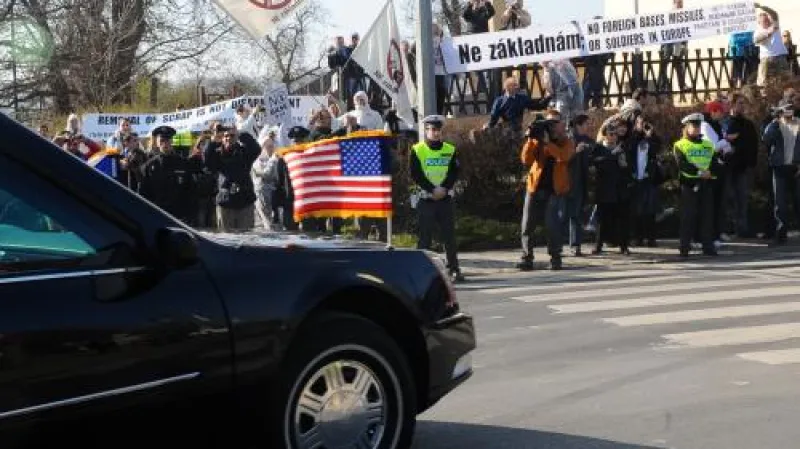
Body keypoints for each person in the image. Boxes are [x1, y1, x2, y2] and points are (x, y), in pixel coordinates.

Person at [518, 112, 575, 271]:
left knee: (552, 226)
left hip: (554, 191)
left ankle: (556, 258)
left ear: (561, 125)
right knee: (527, 225)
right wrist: (531, 139)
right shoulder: (538, 140)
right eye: (548, 123)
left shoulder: (567, 142)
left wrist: (548, 143)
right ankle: (526, 257)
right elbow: (526, 160)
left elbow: (563, 157)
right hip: (534, 187)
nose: (550, 126)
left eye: (553, 123)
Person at [410, 115, 464, 282]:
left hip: (444, 199)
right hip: (426, 199)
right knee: (424, 237)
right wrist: (432, 189)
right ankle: (421, 269)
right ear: (426, 131)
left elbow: (454, 172)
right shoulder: (417, 149)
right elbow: (416, 174)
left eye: (436, 129)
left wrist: (444, 188)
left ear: (441, 131)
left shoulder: (450, 149)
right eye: (430, 129)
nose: (433, 132)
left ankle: (453, 269)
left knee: (449, 236)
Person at [673, 113, 720, 257]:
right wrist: (701, 172)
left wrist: (710, 172)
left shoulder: (708, 144)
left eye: (698, 126)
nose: (697, 128)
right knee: (688, 217)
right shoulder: (680, 144)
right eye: (694, 126)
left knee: (707, 217)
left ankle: (708, 246)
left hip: (706, 183)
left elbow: (715, 163)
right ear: (686, 127)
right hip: (689, 185)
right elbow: (682, 165)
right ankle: (684, 247)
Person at [139, 126, 199, 225]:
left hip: (179, 218)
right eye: (161, 141)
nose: (165, 144)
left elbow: (191, 192)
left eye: (167, 141)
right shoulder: (149, 166)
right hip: (157, 216)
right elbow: (143, 194)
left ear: (172, 141)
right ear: (157, 143)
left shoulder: (183, 163)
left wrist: (189, 217)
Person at [763, 100, 800, 244]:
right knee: (780, 203)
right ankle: (780, 234)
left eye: (791, 109)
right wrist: (775, 122)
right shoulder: (775, 125)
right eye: (786, 110)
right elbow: (766, 139)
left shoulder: (798, 122)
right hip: (779, 167)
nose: (789, 112)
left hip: (796, 167)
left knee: (798, 201)